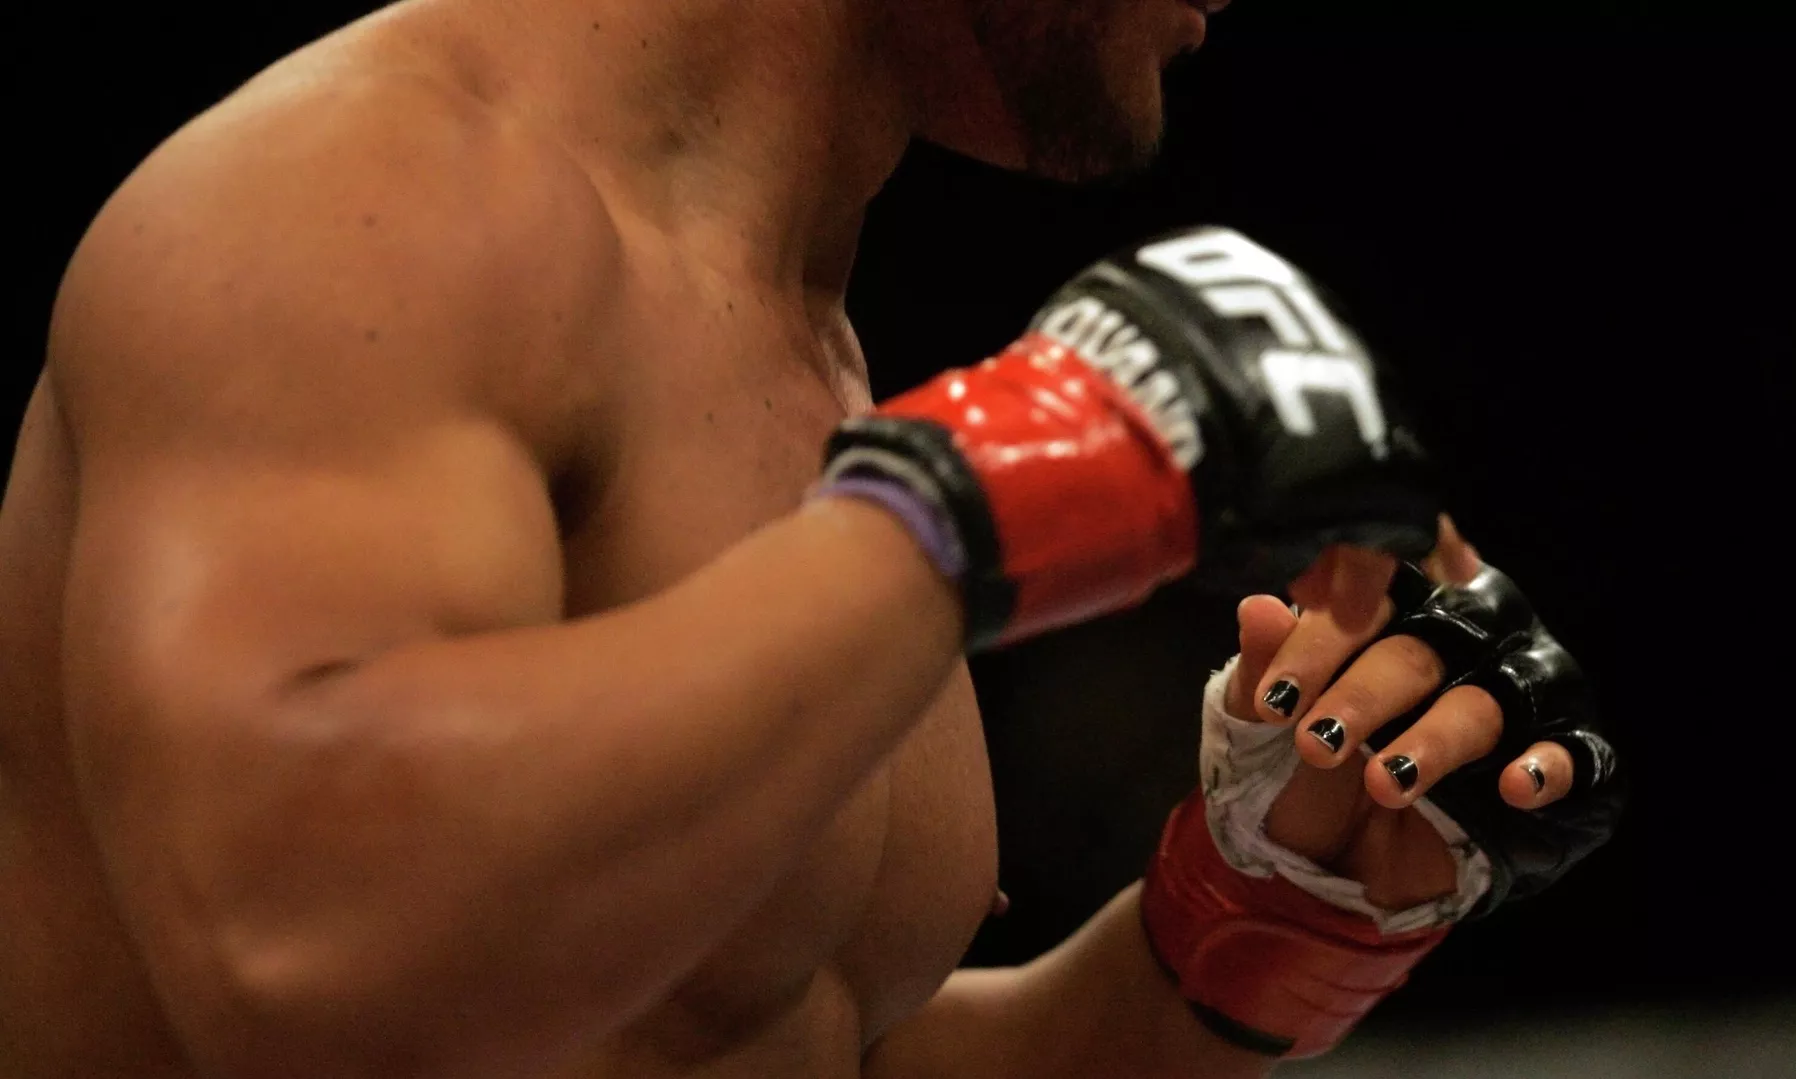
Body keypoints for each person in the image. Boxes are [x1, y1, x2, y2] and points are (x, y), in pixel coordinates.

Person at [0, 1, 1624, 1076]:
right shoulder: (371, 200)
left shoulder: (788, 324)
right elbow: (304, 945)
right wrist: (997, 492)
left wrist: (1253, 925)